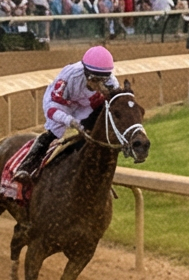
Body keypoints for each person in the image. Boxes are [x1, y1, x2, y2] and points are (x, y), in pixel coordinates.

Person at [8, 46, 117, 190]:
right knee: (55, 134)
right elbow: (52, 108)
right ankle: (26, 167)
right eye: (95, 80)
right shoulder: (69, 76)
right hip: (60, 102)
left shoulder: (111, 83)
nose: (98, 85)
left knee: (93, 132)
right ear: (85, 72)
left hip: (85, 105)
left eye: (103, 80)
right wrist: (70, 121)